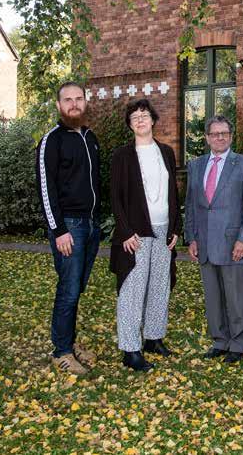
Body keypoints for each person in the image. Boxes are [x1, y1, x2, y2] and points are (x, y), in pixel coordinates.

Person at [109, 99, 181, 372]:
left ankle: (153, 338)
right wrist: (125, 232)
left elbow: (173, 193)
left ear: (153, 119)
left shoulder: (166, 152)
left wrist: (176, 228)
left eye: (144, 115)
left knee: (160, 287)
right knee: (132, 290)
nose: (140, 120)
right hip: (135, 233)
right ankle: (130, 349)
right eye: (134, 117)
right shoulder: (122, 156)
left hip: (164, 231)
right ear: (130, 124)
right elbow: (115, 198)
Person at [184, 115, 243, 364]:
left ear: (231, 136)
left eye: (224, 133)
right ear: (206, 138)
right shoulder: (196, 165)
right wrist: (191, 238)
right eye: (215, 134)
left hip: (233, 244)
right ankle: (219, 340)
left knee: (236, 297)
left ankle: (238, 343)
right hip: (204, 243)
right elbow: (192, 205)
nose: (220, 137)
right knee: (213, 297)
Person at [36, 81, 101, 375]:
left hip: (90, 226)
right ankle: (61, 352)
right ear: (59, 106)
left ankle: (69, 343)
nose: (74, 104)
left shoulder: (90, 137)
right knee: (68, 290)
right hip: (69, 228)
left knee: (77, 288)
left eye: (78, 99)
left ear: (85, 102)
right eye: (68, 100)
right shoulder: (52, 140)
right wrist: (58, 229)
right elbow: (45, 188)